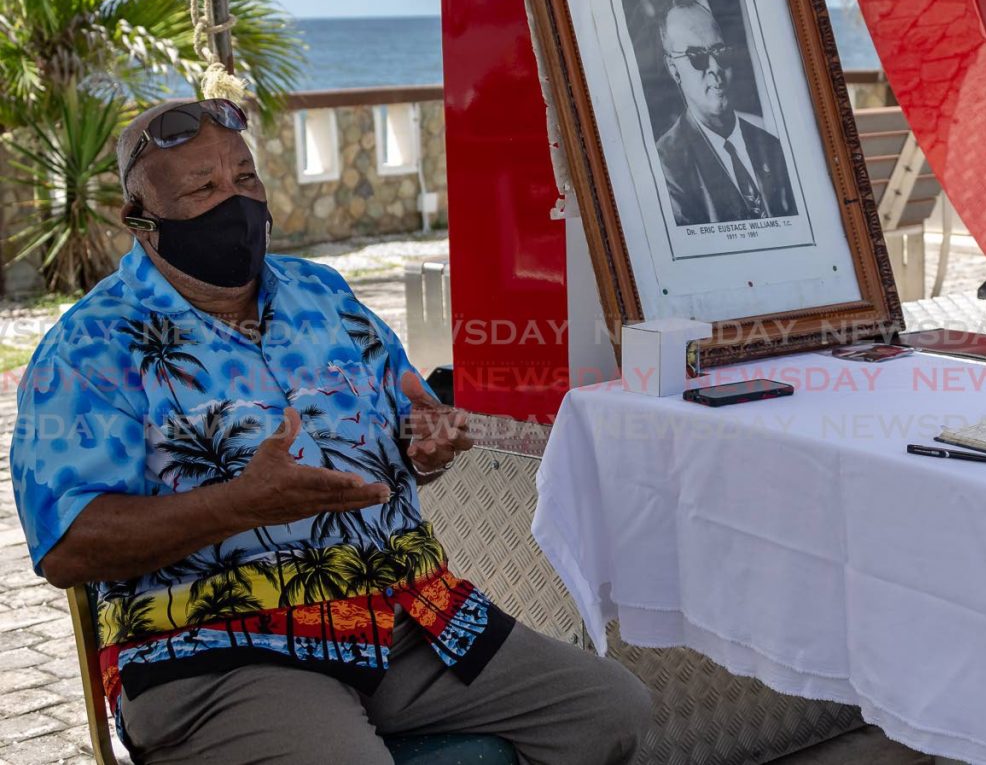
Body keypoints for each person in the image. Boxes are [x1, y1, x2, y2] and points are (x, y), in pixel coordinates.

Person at [10, 99, 650, 764]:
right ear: (140, 220)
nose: (235, 199)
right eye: (203, 188)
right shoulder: (90, 344)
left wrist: (427, 445)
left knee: (609, 711)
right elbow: (68, 545)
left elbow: (411, 431)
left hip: (406, 618)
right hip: (217, 647)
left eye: (245, 178)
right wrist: (239, 505)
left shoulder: (324, 296)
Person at [655, 0, 796, 227]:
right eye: (697, 57)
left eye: (719, 52)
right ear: (674, 70)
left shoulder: (772, 147)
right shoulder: (666, 165)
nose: (715, 68)